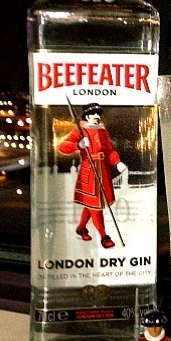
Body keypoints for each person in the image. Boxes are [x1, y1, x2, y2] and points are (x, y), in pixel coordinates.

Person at [58, 103, 127, 248]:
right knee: (96, 206)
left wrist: (117, 162)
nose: (97, 117)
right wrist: (78, 145)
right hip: (89, 171)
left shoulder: (103, 132)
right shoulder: (80, 131)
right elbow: (62, 147)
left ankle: (81, 228)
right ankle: (104, 236)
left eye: (98, 114)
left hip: (103, 171)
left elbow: (109, 151)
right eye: (94, 114)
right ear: (87, 116)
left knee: (92, 204)